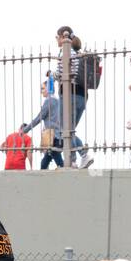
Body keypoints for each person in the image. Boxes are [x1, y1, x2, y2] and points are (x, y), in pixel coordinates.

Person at [55, 27, 95, 168]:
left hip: (69, 95)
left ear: (62, 37)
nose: (56, 40)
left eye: (57, 37)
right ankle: (71, 161)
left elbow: (60, 74)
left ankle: (84, 155)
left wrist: (50, 74)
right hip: (82, 96)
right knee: (69, 130)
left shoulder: (66, 52)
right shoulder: (78, 54)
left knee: (65, 130)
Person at [23, 79, 64, 169]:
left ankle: (67, 176)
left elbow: (39, 118)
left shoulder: (49, 101)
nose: (41, 92)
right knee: (44, 163)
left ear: (49, 88)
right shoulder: (57, 100)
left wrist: (26, 130)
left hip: (53, 136)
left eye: (43, 89)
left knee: (60, 163)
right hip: (60, 135)